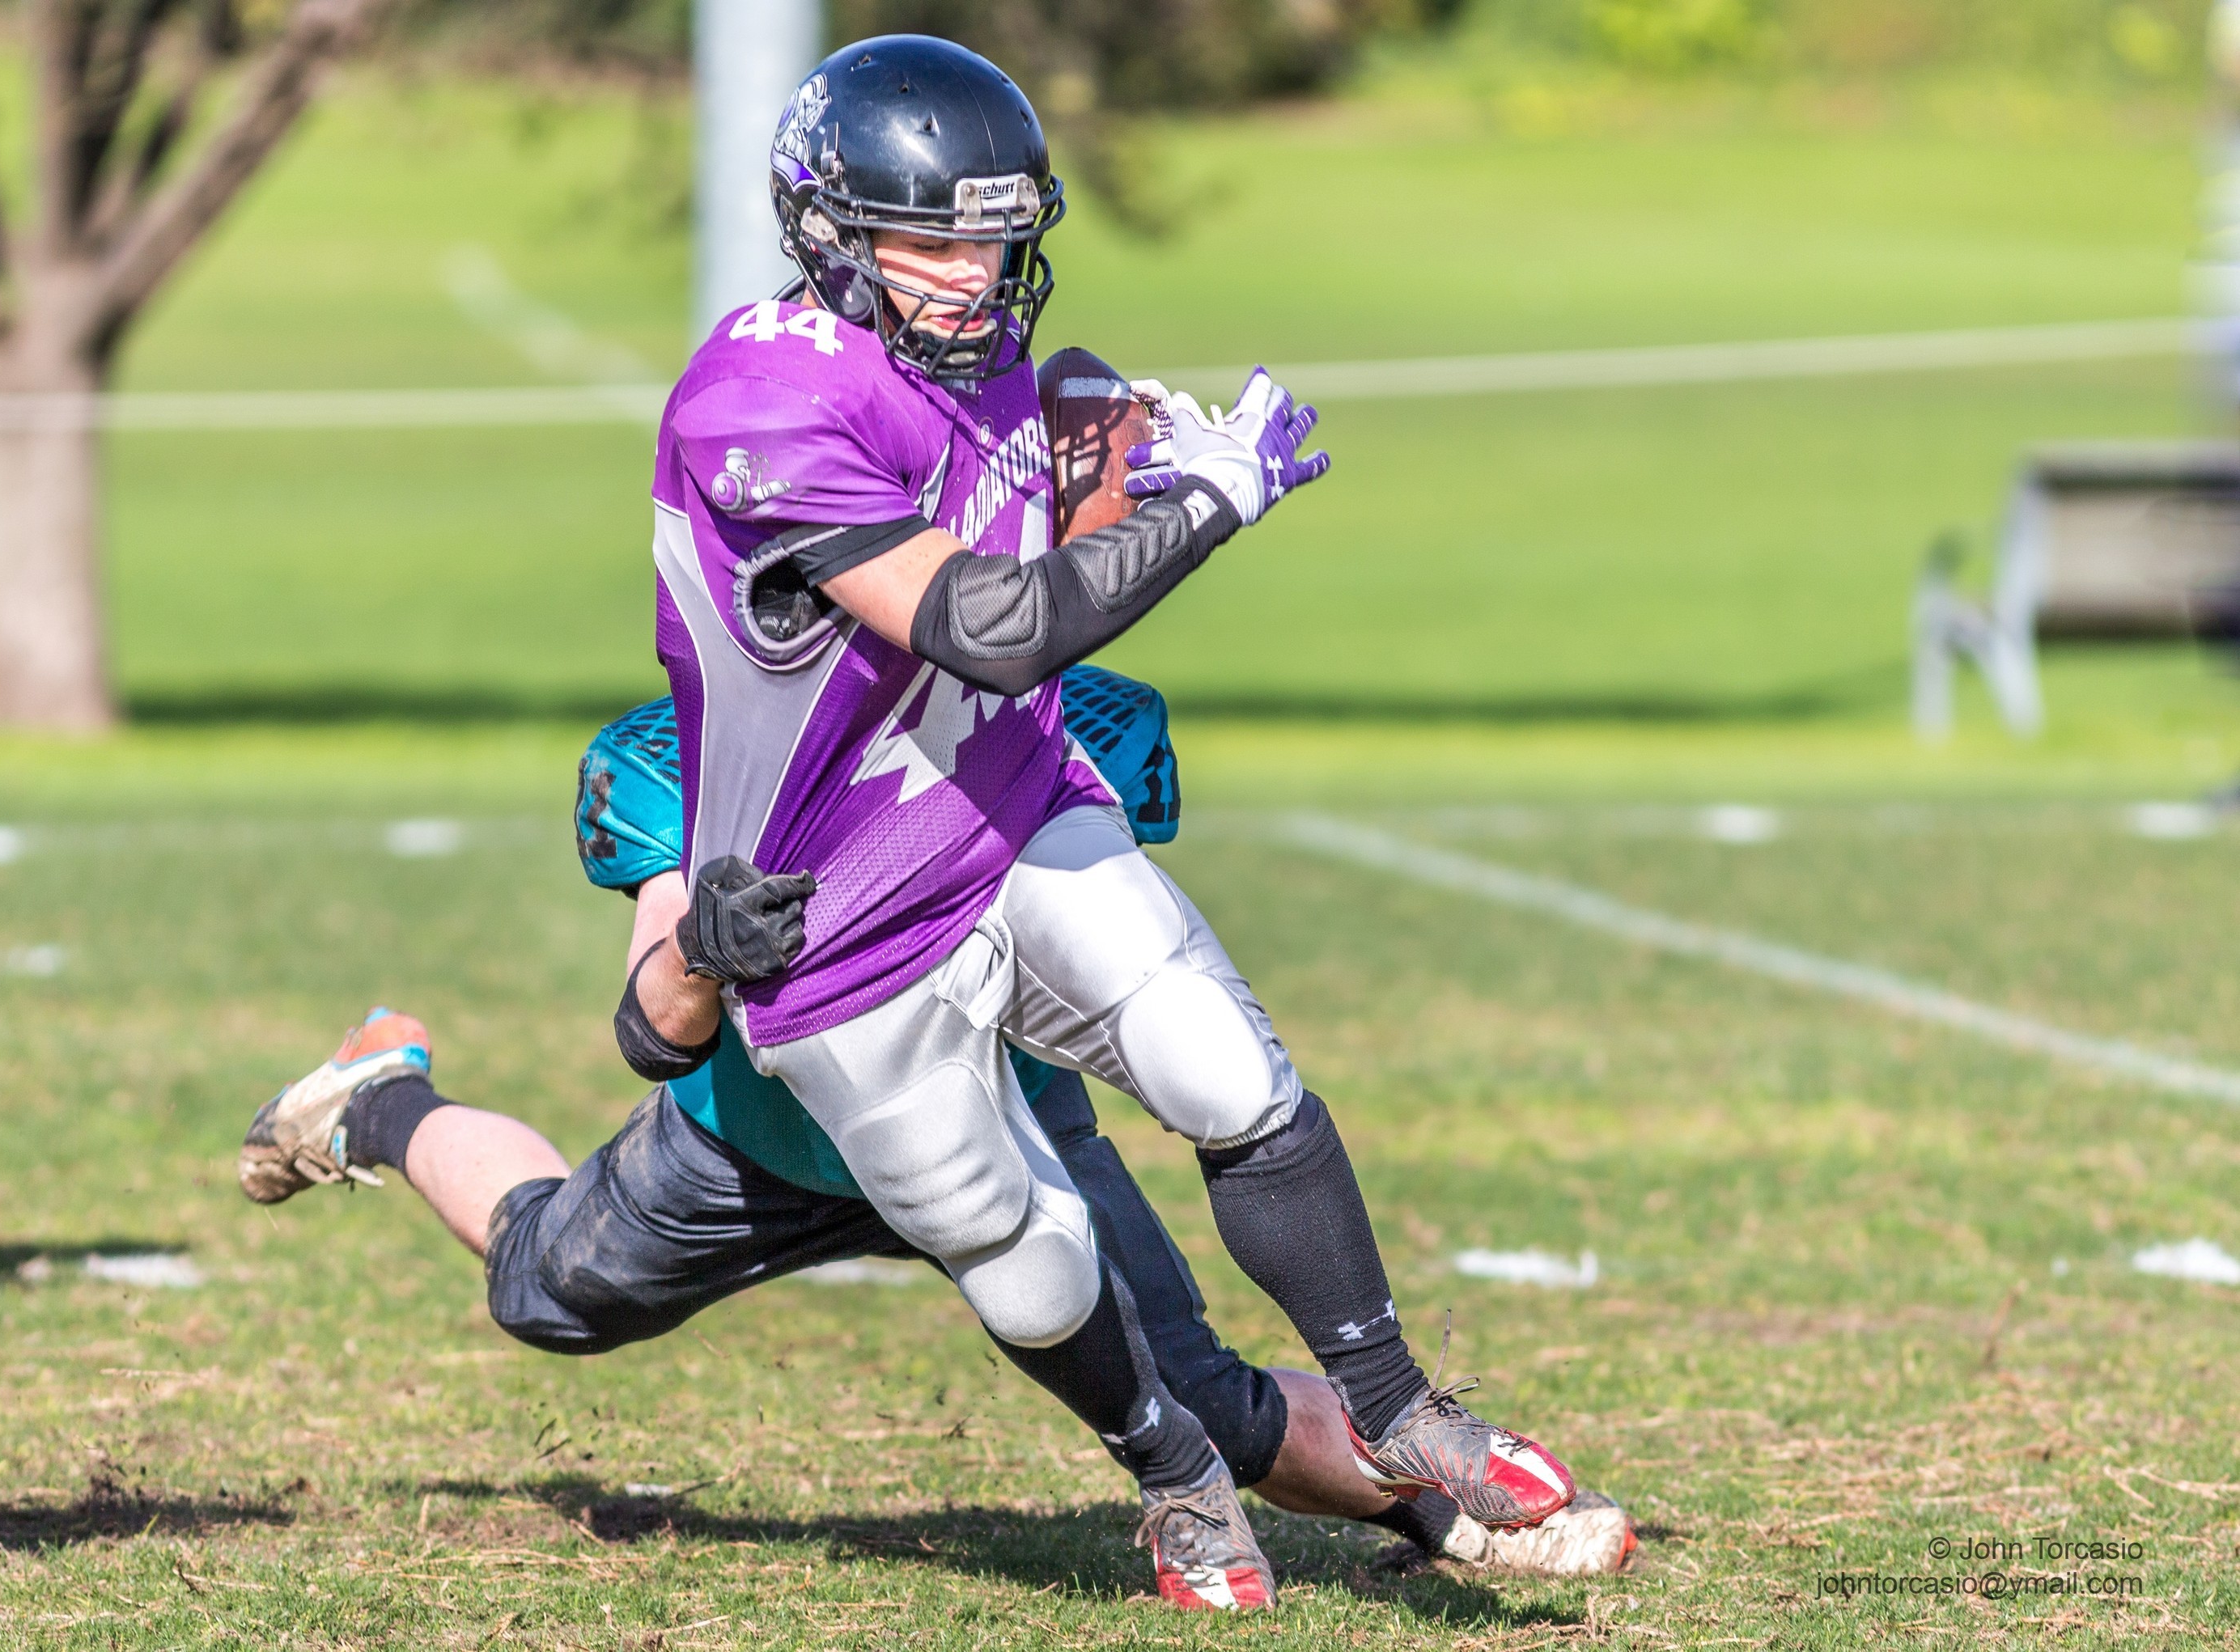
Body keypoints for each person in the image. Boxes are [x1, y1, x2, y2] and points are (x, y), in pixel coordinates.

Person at [640, 31, 1576, 1536]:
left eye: (997, 240)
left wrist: (1119, 464)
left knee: (1225, 1066)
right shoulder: (759, 400)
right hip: (834, 914)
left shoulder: (1026, 377)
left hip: (1005, 817)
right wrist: (1203, 503)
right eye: (930, 241)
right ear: (829, 232)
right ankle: (1172, 1467)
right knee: (1014, 1243)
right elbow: (988, 630)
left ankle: (1403, 1408)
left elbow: (1049, 541)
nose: (972, 276)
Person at [238, 684, 1635, 1612]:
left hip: (1010, 1122)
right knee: (543, 1283)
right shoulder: (684, 744)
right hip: (771, 1137)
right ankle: (381, 1098)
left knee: (1194, 1385)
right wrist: (707, 951)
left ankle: (1446, 1511)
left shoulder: (1077, 709)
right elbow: (655, 1028)